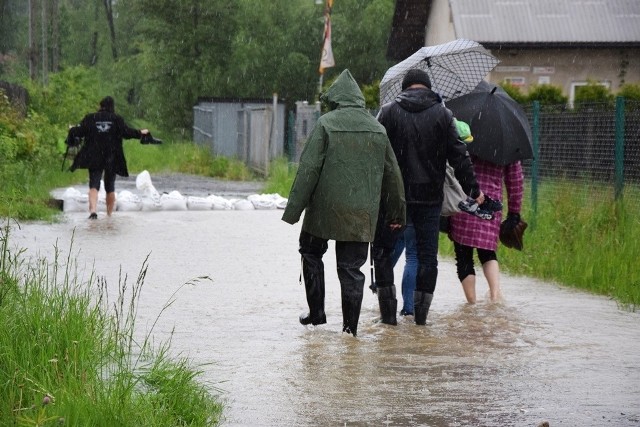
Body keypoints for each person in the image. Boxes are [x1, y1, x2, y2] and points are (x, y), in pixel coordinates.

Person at [282, 69, 405, 337]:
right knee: (351, 269)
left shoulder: (326, 124)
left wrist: (293, 211)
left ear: (336, 99)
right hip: (361, 214)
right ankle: (350, 331)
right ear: (359, 99)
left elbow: (309, 170)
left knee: (311, 252)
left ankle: (316, 314)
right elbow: (393, 175)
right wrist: (397, 213)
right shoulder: (378, 129)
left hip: (323, 211)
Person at [373, 69, 485, 326]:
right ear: (426, 86)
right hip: (429, 199)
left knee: (382, 251)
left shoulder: (388, 112)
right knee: (426, 257)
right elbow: (460, 156)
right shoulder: (443, 115)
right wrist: (474, 190)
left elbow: (374, 152)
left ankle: (388, 319)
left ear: (404, 88)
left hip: (394, 199)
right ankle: (420, 320)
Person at [66, 96, 157, 219]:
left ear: (100, 106)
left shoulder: (90, 118)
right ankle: (109, 215)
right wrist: (141, 132)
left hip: (94, 155)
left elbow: (79, 131)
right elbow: (127, 132)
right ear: (112, 107)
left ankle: (93, 211)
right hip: (112, 156)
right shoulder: (116, 119)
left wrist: (72, 129)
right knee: (110, 187)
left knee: (94, 184)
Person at [448, 156, 524, 304]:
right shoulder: (508, 143)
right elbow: (515, 180)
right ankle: (495, 297)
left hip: (465, 201)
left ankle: (471, 304)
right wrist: (514, 212)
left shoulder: (466, 136)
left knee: (463, 256)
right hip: (490, 206)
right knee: (488, 253)